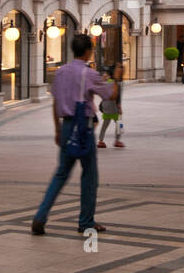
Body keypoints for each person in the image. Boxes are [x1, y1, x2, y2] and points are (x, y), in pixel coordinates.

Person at [32, 33, 116, 236]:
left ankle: (40, 216)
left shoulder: (61, 72)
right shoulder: (89, 74)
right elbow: (109, 95)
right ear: (88, 52)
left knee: (61, 174)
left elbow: (55, 102)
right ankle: (86, 222)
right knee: (89, 176)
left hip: (67, 126)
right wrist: (114, 80)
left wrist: (58, 130)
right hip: (84, 128)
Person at [96, 63, 126, 149]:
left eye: (106, 73)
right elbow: (117, 96)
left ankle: (101, 141)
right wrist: (119, 107)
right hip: (114, 107)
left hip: (106, 107)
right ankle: (117, 140)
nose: (104, 74)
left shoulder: (104, 83)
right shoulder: (116, 84)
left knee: (105, 124)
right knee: (119, 124)